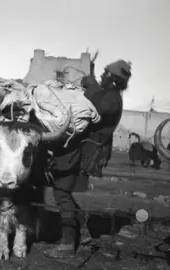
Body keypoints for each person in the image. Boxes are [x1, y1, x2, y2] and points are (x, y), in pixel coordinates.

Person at [44, 59, 132, 259]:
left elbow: (96, 107)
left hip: (83, 152)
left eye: (105, 73)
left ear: (113, 79)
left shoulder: (111, 98)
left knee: (62, 193)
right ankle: (82, 232)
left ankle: (67, 244)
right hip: (80, 149)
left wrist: (91, 84)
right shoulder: (110, 95)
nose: (102, 75)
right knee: (62, 190)